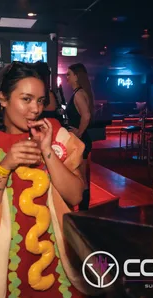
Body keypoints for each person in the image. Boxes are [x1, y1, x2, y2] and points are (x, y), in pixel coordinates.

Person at [0, 62, 90, 298]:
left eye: (40, 100)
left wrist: (48, 150)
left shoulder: (56, 133)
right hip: (6, 263)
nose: (35, 109)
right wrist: (4, 166)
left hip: (59, 258)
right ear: (3, 99)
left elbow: (76, 196)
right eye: (26, 99)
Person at [65, 63, 94, 211]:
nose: (67, 77)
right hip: (82, 141)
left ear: (76, 76)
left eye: (69, 74)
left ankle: (83, 214)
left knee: (82, 180)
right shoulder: (81, 92)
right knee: (81, 178)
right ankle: (83, 212)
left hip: (81, 141)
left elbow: (86, 116)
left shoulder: (78, 94)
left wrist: (79, 133)